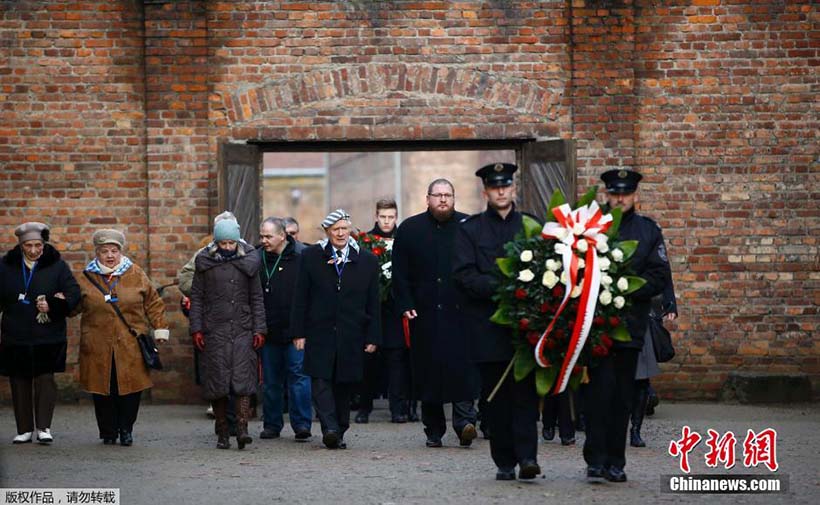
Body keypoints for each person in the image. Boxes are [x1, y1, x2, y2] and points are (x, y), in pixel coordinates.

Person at [582, 169, 674, 482]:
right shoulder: (592, 227)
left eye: (626, 193)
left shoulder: (648, 230)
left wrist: (624, 288)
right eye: (614, 192)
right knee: (596, 395)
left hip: (630, 327)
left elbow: (659, 275)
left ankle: (615, 462)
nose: (620, 198)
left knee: (622, 397)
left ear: (635, 195)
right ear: (606, 194)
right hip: (595, 327)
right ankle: (594, 459)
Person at [452, 164, 541, 481]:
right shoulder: (470, 230)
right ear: (485, 192)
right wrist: (506, 287)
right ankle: (504, 461)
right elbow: (464, 275)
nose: (501, 191)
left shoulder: (532, 227)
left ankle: (528, 457)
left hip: (527, 329)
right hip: (488, 328)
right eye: (495, 187)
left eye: (506, 186)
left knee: (527, 397)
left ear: (513, 189)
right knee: (498, 399)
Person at [392, 180, 481, 448]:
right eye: (438, 195)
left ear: (454, 198)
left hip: (461, 313)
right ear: (427, 198)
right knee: (428, 372)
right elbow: (400, 273)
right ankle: (434, 429)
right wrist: (405, 303)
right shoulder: (410, 229)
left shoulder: (469, 227)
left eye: (447, 195)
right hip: (424, 313)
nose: (443, 200)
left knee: (463, 368)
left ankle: (465, 423)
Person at [291, 209, 381, 449]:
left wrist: (373, 335)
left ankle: (340, 428)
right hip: (319, 330)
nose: (341, 233)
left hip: (352, 332)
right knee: (320, 380)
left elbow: (374, 301)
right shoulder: (311, 257)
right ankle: (329, 427)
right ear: (327, 231)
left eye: (344, 228)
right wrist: (298, 332)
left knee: (344, 384)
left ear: (350, 230)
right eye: (335, 229)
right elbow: (300, 296)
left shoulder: (367, 260)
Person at [74, 229, 170, 446]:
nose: (110, 255)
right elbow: (73, 306)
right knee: (102, 389)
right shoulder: (86, 277)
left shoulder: (136, 274)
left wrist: (160, 328)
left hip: (130, 342)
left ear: (121, 251)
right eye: (104, 251)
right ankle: (108, 431)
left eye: (114, 250)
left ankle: (126, 429)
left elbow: (153, 303)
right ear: (97, 253)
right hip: (97, 343)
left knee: (129, 389)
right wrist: (59, 301)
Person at [0, 223, 81, 444]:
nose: (34, 250)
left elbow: (74, 294)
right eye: (29, 245)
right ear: (21, 245)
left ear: (44, 245)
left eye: (38, 245)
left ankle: (44, 427)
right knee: (19, 381)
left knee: (46, 380)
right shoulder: (6, 266)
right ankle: (24, 429)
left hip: (48, 334)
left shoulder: (58, 266)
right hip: (15, 334)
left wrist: (54, 304)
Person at [189, 219, 266, 450]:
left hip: (242, 328)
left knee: (242, 381)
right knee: (218, 382)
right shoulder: (205, 263)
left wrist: (260, 328)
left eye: (232, 242)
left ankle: (242, 430)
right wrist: (197, 328)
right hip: (215, 329)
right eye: (223, 242)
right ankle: (223, 432)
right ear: (216, 241)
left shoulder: (249, 262)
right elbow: (197, 298)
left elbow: (257, 298)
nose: (228, 246)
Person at [178, 211, 245, 425]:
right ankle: (218, 408)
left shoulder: (248, 253)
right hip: (213, 318)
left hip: (239, 318)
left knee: (241, 366)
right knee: (214, 365)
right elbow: (186, 278)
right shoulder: (203, 254)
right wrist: (204, 293)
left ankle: (240, 412)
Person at [356, 198, 411, 424]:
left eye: (391, 217)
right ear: (376, 217)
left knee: (397, 358)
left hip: (395, 309)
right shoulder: (366, 242)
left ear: (396, 217)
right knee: (369, 360)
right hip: (371, 309)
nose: (387, 221)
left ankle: (398, 409)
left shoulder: (404, 240)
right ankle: (364, 407)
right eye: (383, 217)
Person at [257, 217, 312, 441]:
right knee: (271, 382)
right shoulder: (256, 257)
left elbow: (309, 295)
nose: (264, 241)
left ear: (282, 236)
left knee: (299, 378)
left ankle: (301, 425)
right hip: (269, 330)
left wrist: (304, 329)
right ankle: (272, 424)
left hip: (294, 331)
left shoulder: (301, 257)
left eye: (268, 236)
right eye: (262, 236)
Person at [631, 281, 677, 447]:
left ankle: (636, 429)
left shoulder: (652, 254)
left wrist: (670, 303)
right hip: (616, 311)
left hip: (644, 314)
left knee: (642, 377)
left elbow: (662, 273)